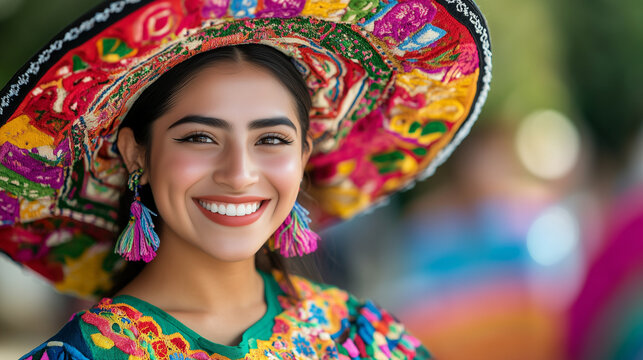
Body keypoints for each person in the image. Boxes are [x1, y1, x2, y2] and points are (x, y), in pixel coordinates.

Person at [0, 0, 491, 359]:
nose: (239, 174)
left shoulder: (366, 339)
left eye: (272, 140)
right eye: (199, 138)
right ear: (137, 154)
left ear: (304, 155)